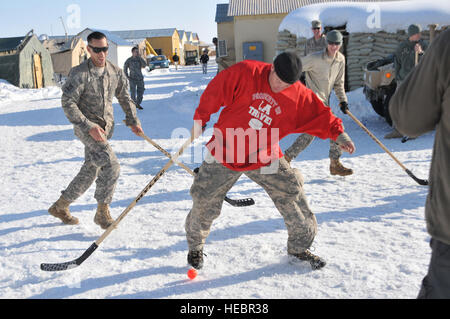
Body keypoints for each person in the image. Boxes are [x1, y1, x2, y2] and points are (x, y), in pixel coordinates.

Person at [184, 51, 355, 271]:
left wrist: (339, 134)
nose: (280, 87)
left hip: (263, 153)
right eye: (278, 80)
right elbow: (215, 91)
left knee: (292, 190)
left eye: (287, 85)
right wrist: (201, 118)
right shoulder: (246, 72)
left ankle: (299, 247)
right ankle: (195, 247)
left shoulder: (297, 94)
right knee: (203, 199)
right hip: (226, 148)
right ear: (271, 68)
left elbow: (320, 114)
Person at [48, 31, 144, 229]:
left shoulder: (114, 71)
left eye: (105, 49)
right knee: (112, 166)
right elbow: (68, 102)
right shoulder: (79, 73)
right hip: (86, 128)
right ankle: (102, 212)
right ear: (89, 49)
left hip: (105, 129)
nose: (102, 54)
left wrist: (133, 120)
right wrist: (88, 125)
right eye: (97, 50)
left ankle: (61, 206)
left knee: (91, 170)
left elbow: (124, 97)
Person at [389, 29, 450, 299]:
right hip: (405, 81)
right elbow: (399, 67)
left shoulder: (443, 45)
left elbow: (409, 116)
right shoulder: (404, 47)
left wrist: (427, 59)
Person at [284, 30, 353, 176]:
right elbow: (294, 68)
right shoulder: (315, 59)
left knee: (310, 133)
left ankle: (286, 158)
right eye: (331, 43)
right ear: (326, 43)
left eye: (337, 44)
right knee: (335, 127)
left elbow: (339, 84)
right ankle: (334, 163)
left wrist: (343, 101)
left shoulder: (340, 60)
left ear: (341, 44)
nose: (333, 46)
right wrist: (297, 87)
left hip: (324, 102)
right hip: (312, 102)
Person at [385, 24, 428, 139]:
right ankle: (398, 130)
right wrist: (398, 77)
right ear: (411, 34)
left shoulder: (423, 45)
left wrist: (420, 53)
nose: (419, 35)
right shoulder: (402, 47)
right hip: (403, 80)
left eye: (420, 33)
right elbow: (397, 62)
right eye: (416, 33)